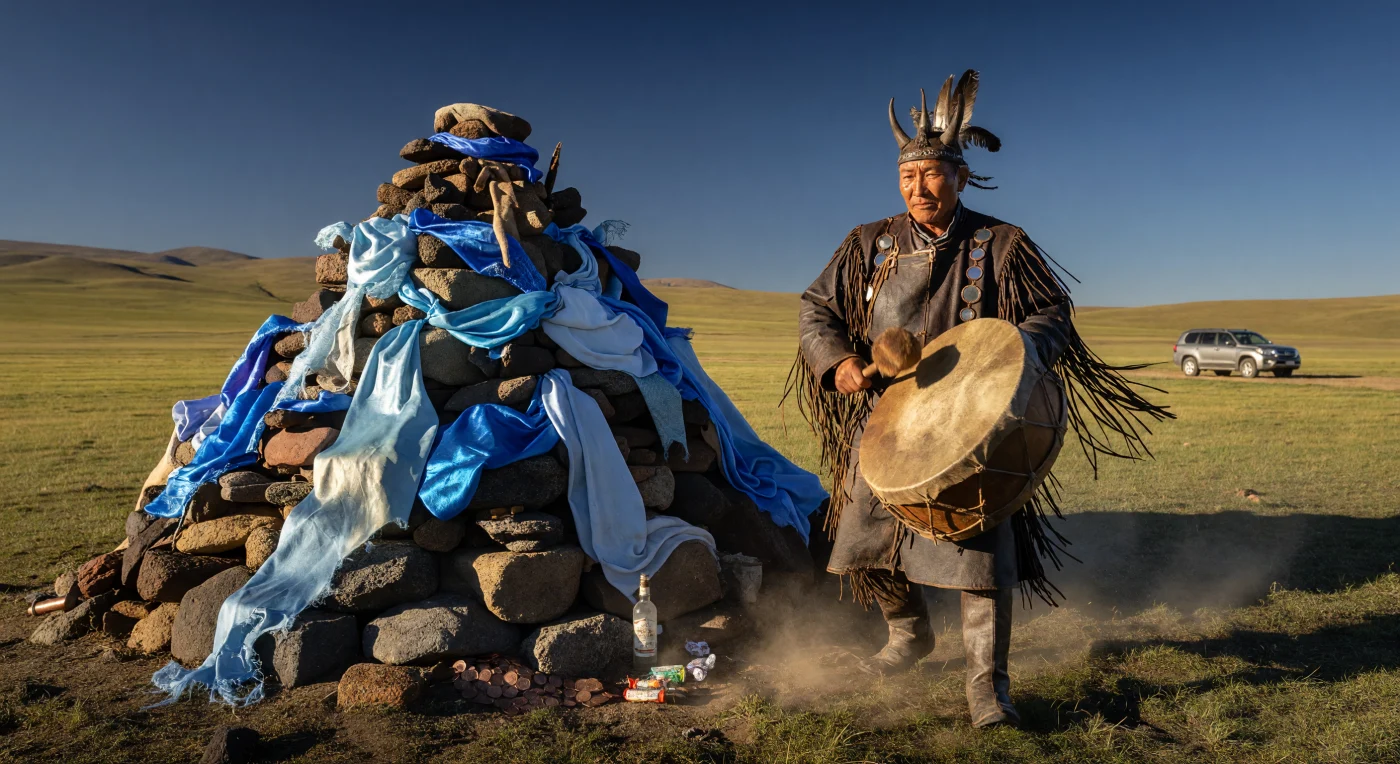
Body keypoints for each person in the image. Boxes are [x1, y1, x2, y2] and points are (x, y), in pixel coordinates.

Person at [790, 71, 1169, 728]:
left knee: (976, 556)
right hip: (885, 423)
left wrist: (1007, 361)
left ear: (961, 177)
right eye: (908, 179)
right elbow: (816, 310)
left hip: (970, 426)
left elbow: (1050, 313)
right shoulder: (865, 244)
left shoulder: (1000, 245)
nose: (918, 189)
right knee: (864, 540)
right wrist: (841, 363)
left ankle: (985, 685)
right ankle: (908, 636)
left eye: (932, 176)